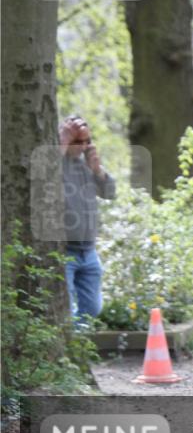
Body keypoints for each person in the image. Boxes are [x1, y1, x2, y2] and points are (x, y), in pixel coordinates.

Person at [60, 116, 116, 328]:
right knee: (64, 307)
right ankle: (70, 342)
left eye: (87, 142)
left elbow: (110, 193)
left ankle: (79, 339)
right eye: (78, 141)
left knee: (93, 309)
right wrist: (62, 144)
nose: (83, 147)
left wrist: (98, 170)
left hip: (88, 250)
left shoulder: (87, 166)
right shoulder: (55, 163)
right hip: (64, 250)